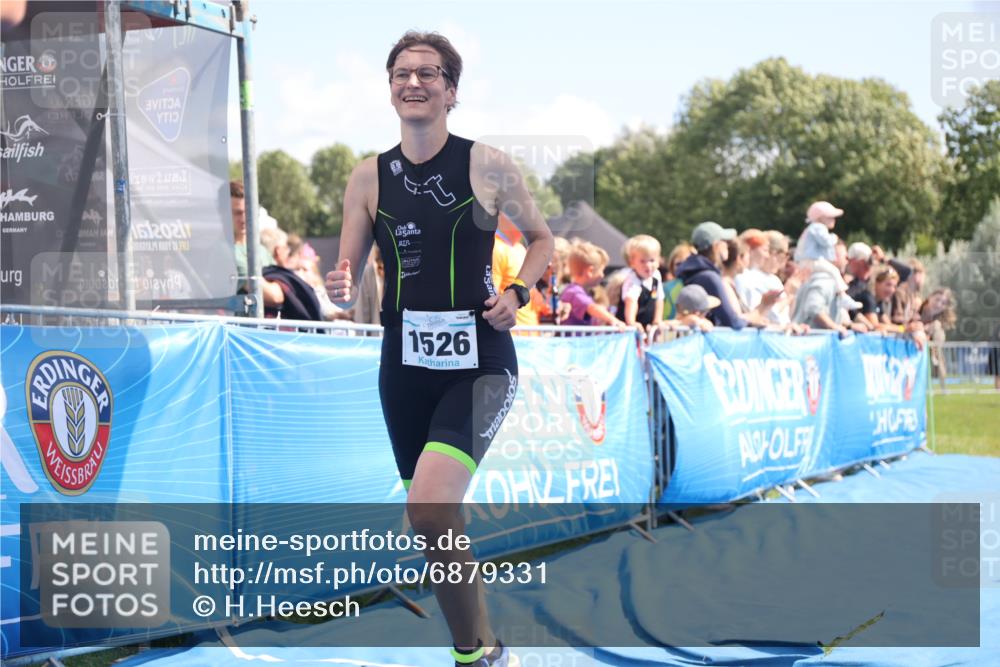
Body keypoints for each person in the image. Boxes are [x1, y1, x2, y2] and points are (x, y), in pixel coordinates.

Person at [324, 31, 553, 667]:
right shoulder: (367, 176)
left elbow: (541, 240)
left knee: (429, 506)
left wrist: (518, 291)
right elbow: (348, 272)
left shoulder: (488, 163)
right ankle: (482, 651)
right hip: (404, 367)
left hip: (480, 362)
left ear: (451, 91)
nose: (413, 82)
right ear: (390, 89)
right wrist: (340, 284)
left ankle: (474, 653)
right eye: (402, 73)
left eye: (428, 73)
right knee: (433, 521)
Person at [559, 240, 634, 330]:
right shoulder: (574, 292)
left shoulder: (583, 291)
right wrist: (613, 320)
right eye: (601, 270)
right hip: (573, 338)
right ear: (590, 271)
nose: (602, 275)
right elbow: (591, 307)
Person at [230, 180, 281, 310]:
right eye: (237, 213)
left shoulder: (261, 250)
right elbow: (274, 296)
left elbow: (282, 287)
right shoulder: (225, 251)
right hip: (240, 322)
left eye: (247, 211)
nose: (243, 218)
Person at [619, 234, 664, 330]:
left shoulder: (656, 276)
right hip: (630, 326)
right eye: (642, 261)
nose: (648, 265)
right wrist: (631, 322)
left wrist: (657, 320)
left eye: (652, 260)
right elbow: (631, 301)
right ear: (632, 262)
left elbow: (659, 298)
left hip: (647, 324)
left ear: (658, 261)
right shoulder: (632, 279)